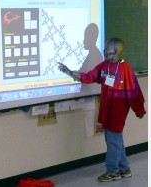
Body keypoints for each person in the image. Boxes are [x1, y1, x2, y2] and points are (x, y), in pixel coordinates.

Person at [58, 37, 146, 182]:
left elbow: (133, 91)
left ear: (117, 52)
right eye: (105, 50)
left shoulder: (126, 69)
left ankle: (113, 171)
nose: (105, 53)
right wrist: (70, 72)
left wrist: (139, 110)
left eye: (108, 51)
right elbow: (89, 76)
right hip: (106, 108)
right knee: (115, 140)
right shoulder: (104, 66)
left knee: (113, 140)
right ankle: (124, 169)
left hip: (118, 110)